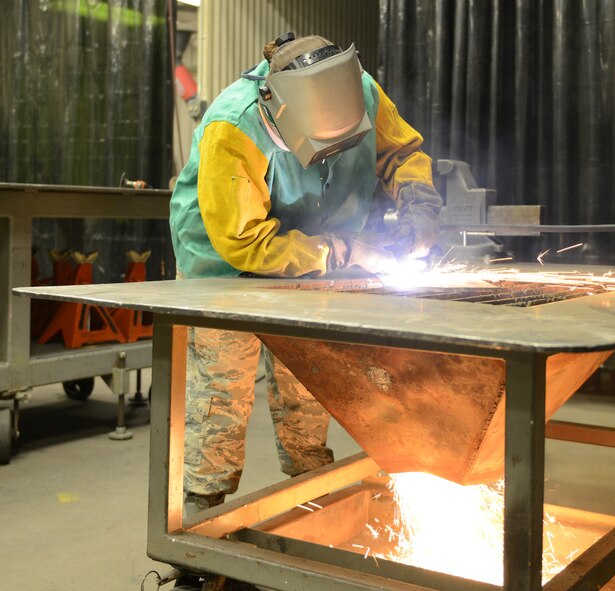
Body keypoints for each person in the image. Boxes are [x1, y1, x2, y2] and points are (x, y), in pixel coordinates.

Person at [169, 33, 442, 512]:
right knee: (221, 390)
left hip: (322, 245)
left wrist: (418, 199)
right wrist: (341, 251)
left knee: (309, 377)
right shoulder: (233, 128)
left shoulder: (361, 91)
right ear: (282, 115)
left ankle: (312, 492)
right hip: (225, 260)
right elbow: (246, 242)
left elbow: (399, 152)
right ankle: (201, 514)